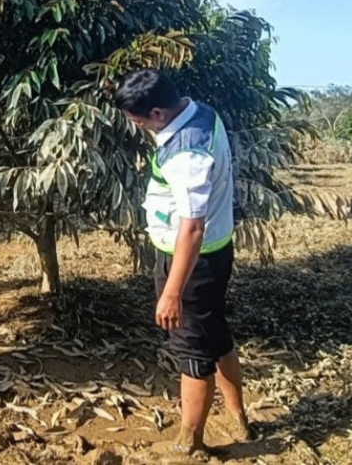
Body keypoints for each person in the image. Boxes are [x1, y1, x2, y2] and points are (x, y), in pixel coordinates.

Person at [114, 69, 253, 459]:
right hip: (215, 249)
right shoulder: (200, 113)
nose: (138, 127)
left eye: (139, 121)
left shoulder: (187, 155)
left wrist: (172, 291)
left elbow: (191, 227)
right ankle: (238, 414)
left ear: (158, 113)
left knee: (192, 352)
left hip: (192, 261)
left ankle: (189, 440)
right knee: (215, 334)